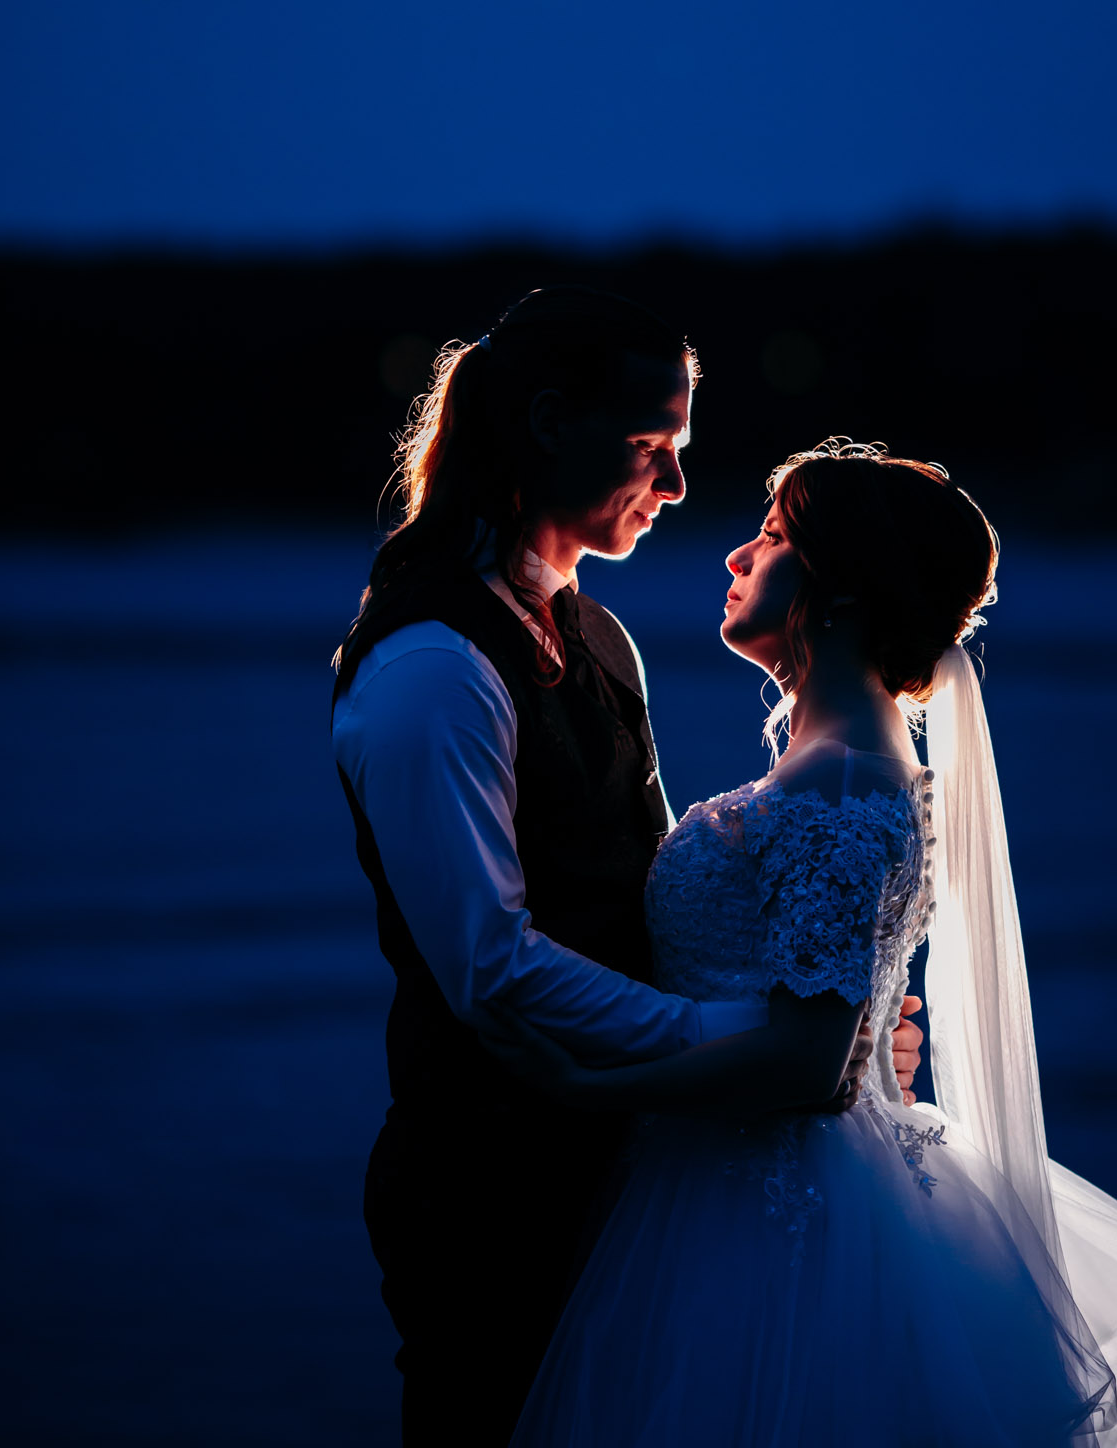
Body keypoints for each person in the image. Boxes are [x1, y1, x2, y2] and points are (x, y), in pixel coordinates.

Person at [492, 440, 1117, 1447]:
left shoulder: (845, 782)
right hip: (735, 1179)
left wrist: (583, 1084)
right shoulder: (844, 768)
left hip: (765, 1212)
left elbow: (811, 1062)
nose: (736, 554)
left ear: (842, 591)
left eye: (772, 536)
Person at [330, 292, 923, 1448]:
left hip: (650, 1168)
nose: (679, 486)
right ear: (552, 423)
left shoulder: (602, 641)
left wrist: (830, 1016)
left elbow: (653, 895)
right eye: (653, 447)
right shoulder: (432, 667)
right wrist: (750, 1036)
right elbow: (491, 969)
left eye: (683, 451)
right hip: (492, 1189)